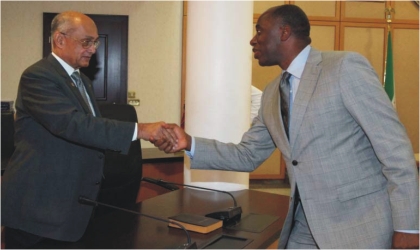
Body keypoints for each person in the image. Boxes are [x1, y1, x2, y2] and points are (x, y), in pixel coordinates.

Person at [154, 4, 419, 249]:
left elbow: (394, 148)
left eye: (259, 30)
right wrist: (189, 143)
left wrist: (408, 224)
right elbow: (247, 155)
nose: (252, 39)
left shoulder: (343, 68)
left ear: (284, 32)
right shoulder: (272, 93)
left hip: (359, 226)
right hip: (302, 226)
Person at [1, 11, 177, 248]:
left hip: (74, 209)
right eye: (86, 42)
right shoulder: (38, 76)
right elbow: (74, 125)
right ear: (60, 39)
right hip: (39, 210)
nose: (93, 49)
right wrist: (142, 130)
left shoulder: (82, 81)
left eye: (95, 42)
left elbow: (92, 134)